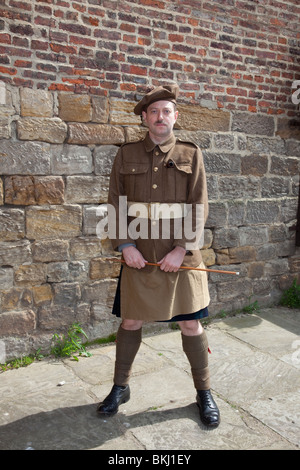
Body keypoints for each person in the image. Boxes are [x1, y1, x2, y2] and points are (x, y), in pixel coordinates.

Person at [97, 83, 220, 427]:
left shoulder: (191, 153)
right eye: (153, 111)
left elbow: (199, 206)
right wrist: (125, 245)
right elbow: (115, 203)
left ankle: (204, 392)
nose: (160, 117)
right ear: (144, 118)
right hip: (140, 255)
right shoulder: (126, 154)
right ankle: (120, 387)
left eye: (166, 111)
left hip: (180, 257)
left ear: (175, 116)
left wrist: (182, 249)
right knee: (131, 321)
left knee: (190, 323)